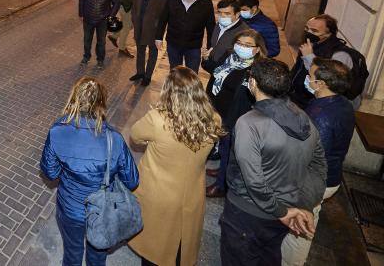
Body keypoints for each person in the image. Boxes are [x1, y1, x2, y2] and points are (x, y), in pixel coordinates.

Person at [221, 58, 327, 266]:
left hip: (248, 212)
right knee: (268, 256)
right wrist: (302, 204)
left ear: (252, 83)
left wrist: (281, 211)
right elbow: (319, 167)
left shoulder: (249, 123)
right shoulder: (303, 117)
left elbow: (253, 180)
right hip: (284, 212)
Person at [128, 67, 223, 266]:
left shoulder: (157, 119)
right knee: (182, 243)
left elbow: (135, 135)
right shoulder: (214, 119)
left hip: (158, 195)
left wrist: (151, 142)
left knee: (154, 246)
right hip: (191, 194)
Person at [40, 77, 140, 266]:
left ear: (74, 99)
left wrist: (72, 171)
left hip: (70, 209)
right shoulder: (114, 139)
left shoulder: (57, 131)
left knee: (72, 253)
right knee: (97, 256)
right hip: (102, 212)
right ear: (101, 103)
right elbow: (132, 181)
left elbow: (50, 173)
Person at [281, 59, 355, 265]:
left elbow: (308, 155)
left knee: (299, 228)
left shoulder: (320, 116)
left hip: (314, 181)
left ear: (321, 84)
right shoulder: (342, 104)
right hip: (330, 177)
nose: (307, 78)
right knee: (308, 218)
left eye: (310, 76)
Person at [205, 30, 267, 198]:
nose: (242, 47)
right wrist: (207, 61)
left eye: (247, 45)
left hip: (236, 117)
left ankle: (221, 186)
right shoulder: (229, 55)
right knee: (223, 147)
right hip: (218, 109)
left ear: (258, 49)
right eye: (239, 43)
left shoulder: (257, 70)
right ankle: (220, 171)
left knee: (228, 150)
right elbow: (217, 72)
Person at [290, 14, 354, 108]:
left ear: (329, 34)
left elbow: (327, 80)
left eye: (314, 31)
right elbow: (298, 68)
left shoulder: (339, 54)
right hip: (296, 96)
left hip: (313, 103)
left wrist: (309, 56)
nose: (308, 32)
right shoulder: (310, 43)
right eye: (307, 28)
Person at [157, 0, 215, 72]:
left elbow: (210, 26)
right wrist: (158, 38)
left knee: (192, 73)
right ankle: (175, 87)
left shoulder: (206, 3)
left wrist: (210, 46)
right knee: (175, 72)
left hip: (194, 46)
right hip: (173, 43)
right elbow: (163, 19)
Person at [130, 0, 168, 87]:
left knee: (153, 54)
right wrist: (135, 22)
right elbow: (134, 9)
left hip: (153, 32)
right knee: (140, 53)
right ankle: (140, 72)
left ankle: (147, 76)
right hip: (140, 30)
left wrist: (159, 32)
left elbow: (164, 17)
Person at [78, 0, 118, 69]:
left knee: (101, 42)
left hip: (102, 21)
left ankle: (100, 60)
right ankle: (86, 57)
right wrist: (81, 14)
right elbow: (82, 0)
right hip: (88, 19)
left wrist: (111, 16)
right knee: (87, 40)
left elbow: (116, 3)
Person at [202, 0, 248, 73]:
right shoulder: (219, 25)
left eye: (227, 13)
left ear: (237, 14)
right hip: (214, 69)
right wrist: (206, 59)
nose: (222, 16)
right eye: (220, 13)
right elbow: (213, 46)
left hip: (228, 74)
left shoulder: (244, 33)